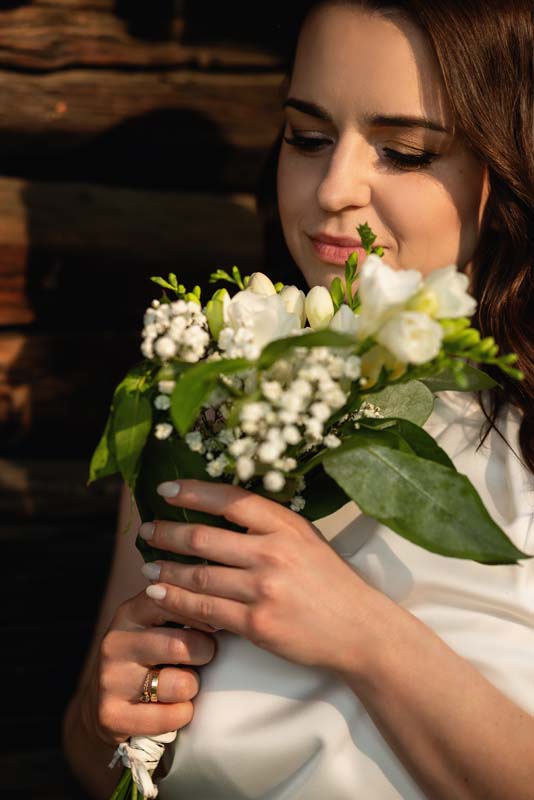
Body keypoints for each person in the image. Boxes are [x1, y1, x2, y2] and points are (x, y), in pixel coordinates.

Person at [62, 1, 534, 798]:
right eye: (307, 138)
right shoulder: (206, 399)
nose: (334, 188)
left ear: (510, 161)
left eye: (405, 152)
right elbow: (91, 751)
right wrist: (111, 714)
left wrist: (364, 637)